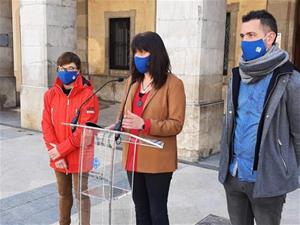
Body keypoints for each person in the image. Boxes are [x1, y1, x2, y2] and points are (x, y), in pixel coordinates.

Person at [218, 10, 300, 225]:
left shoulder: (289, 78)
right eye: (242, 36)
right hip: (234, 175)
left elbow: (299, 132)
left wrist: (289, 171)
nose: (245, 41)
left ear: (269, 38)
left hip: (268, 179)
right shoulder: (237, 75)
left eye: (251, 35)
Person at [111, 31, 186, 225]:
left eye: (143, 53)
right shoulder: (132, 82)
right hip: (132, 158)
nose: (138, 57)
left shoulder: (173, 84)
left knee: (157, 213)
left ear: (156, 54)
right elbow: (123, 114)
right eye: (136, 52)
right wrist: (116, 126)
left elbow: (176, 124)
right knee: (140, 211)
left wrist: (145, 124)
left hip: (157, 160)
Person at [41, 52, 99, 225]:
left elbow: (85, 133)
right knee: (63, 194)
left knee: (81, 195)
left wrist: (60, 150)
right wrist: (56, 154)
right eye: (62, 69)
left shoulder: (88, 96)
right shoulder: (50, 95)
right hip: (58, 156)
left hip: (80, 156)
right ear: (58, 70)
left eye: (71, 68)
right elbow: (46, 125)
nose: (67, 72)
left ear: (78, 70)